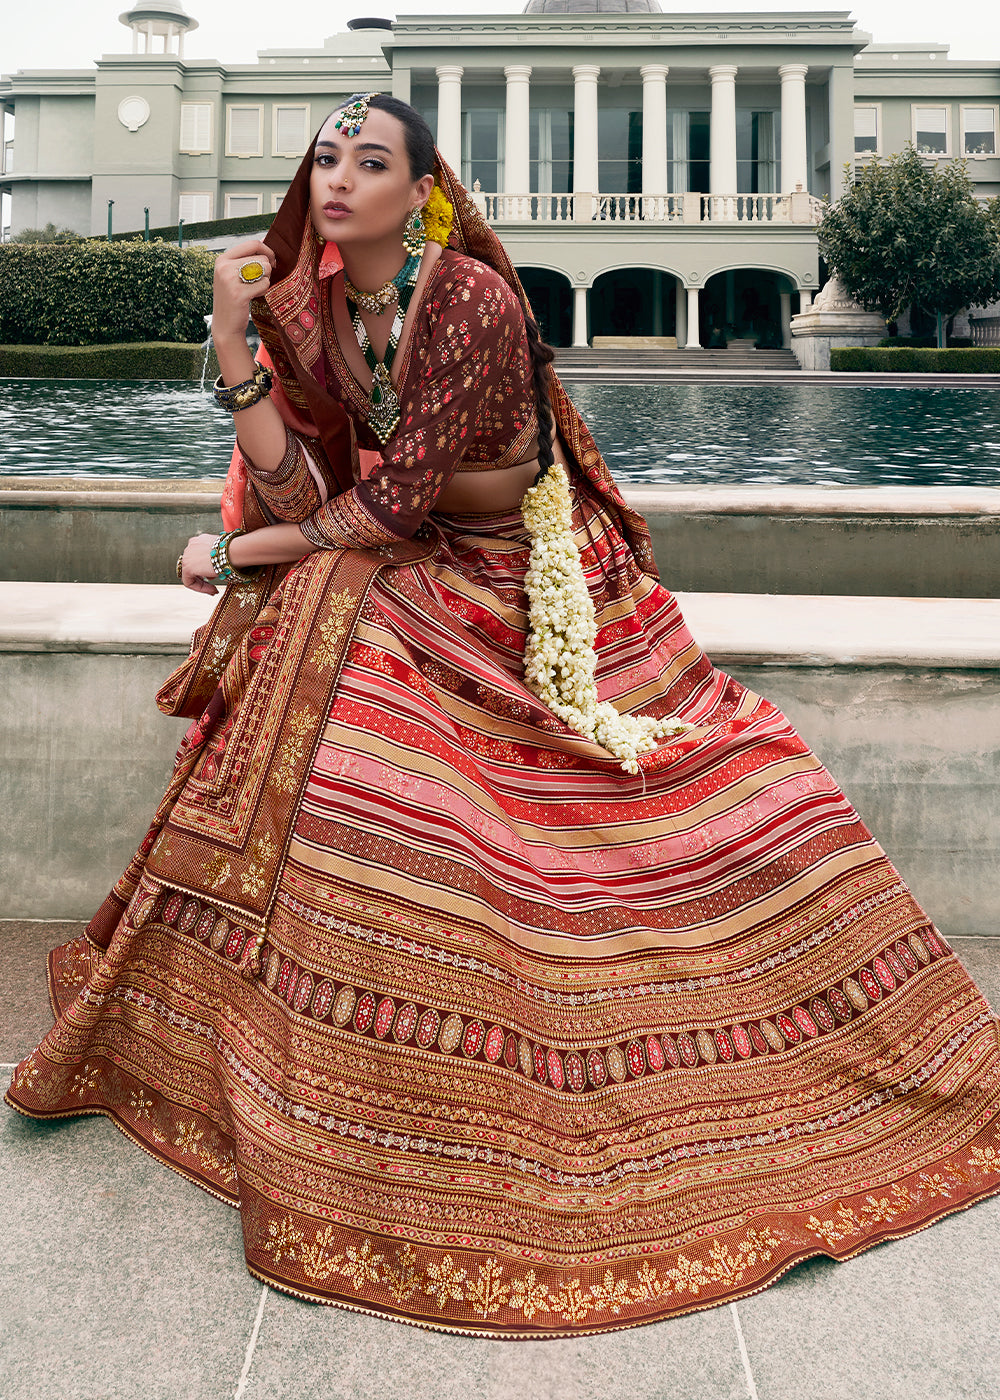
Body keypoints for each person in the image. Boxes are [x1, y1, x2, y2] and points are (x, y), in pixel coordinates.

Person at [7, 94, 1000, 1339]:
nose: (337, 179)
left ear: (422, 191)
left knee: (339, 615)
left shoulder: (469, 300)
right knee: (326, 647)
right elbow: (300, 477)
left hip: (529, 569)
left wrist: (239, 549)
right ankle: (311, 1053)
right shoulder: (312, 308)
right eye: (325, 157)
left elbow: (380, 506)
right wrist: (229, 341)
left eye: (371, 161)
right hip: (410, 554)